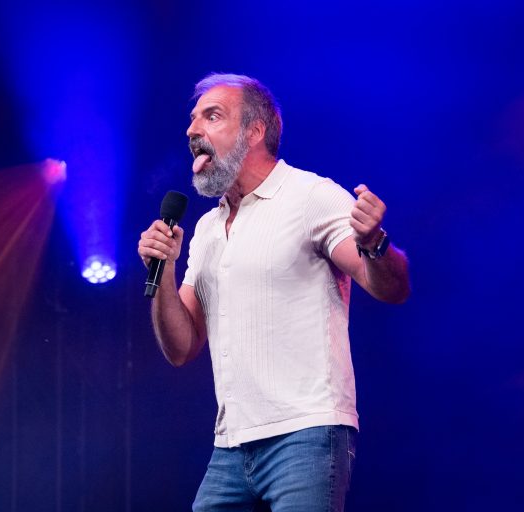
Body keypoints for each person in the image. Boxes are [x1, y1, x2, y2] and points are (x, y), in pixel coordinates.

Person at [137, 73, 411, 512]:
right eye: (192, 120)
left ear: (255, 131)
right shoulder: (207, 228)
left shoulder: (310, 196)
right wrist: (164, 271)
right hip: (230, 445)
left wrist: (375, 242)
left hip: (306, 434)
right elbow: (181, 346)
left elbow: (391, 288)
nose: (192, 131)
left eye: (212, 116)